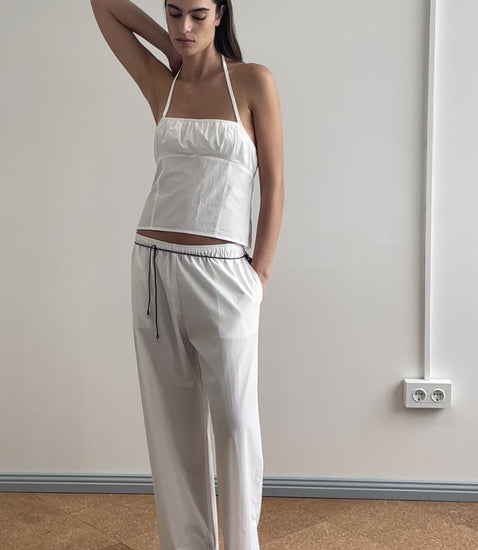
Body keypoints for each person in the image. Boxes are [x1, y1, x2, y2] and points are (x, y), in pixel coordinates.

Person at [90, 0, 283, 548]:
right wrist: (167, 45)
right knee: (172, 428)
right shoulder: (163, 83)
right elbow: (102, 5)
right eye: (174, 14)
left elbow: (275, 186)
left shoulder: (253, 81)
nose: (184, 27)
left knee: (237, 425)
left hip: (226, 275)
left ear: (220, 14)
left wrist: (259, 277)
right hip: (153, 268)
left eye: (197, 15)